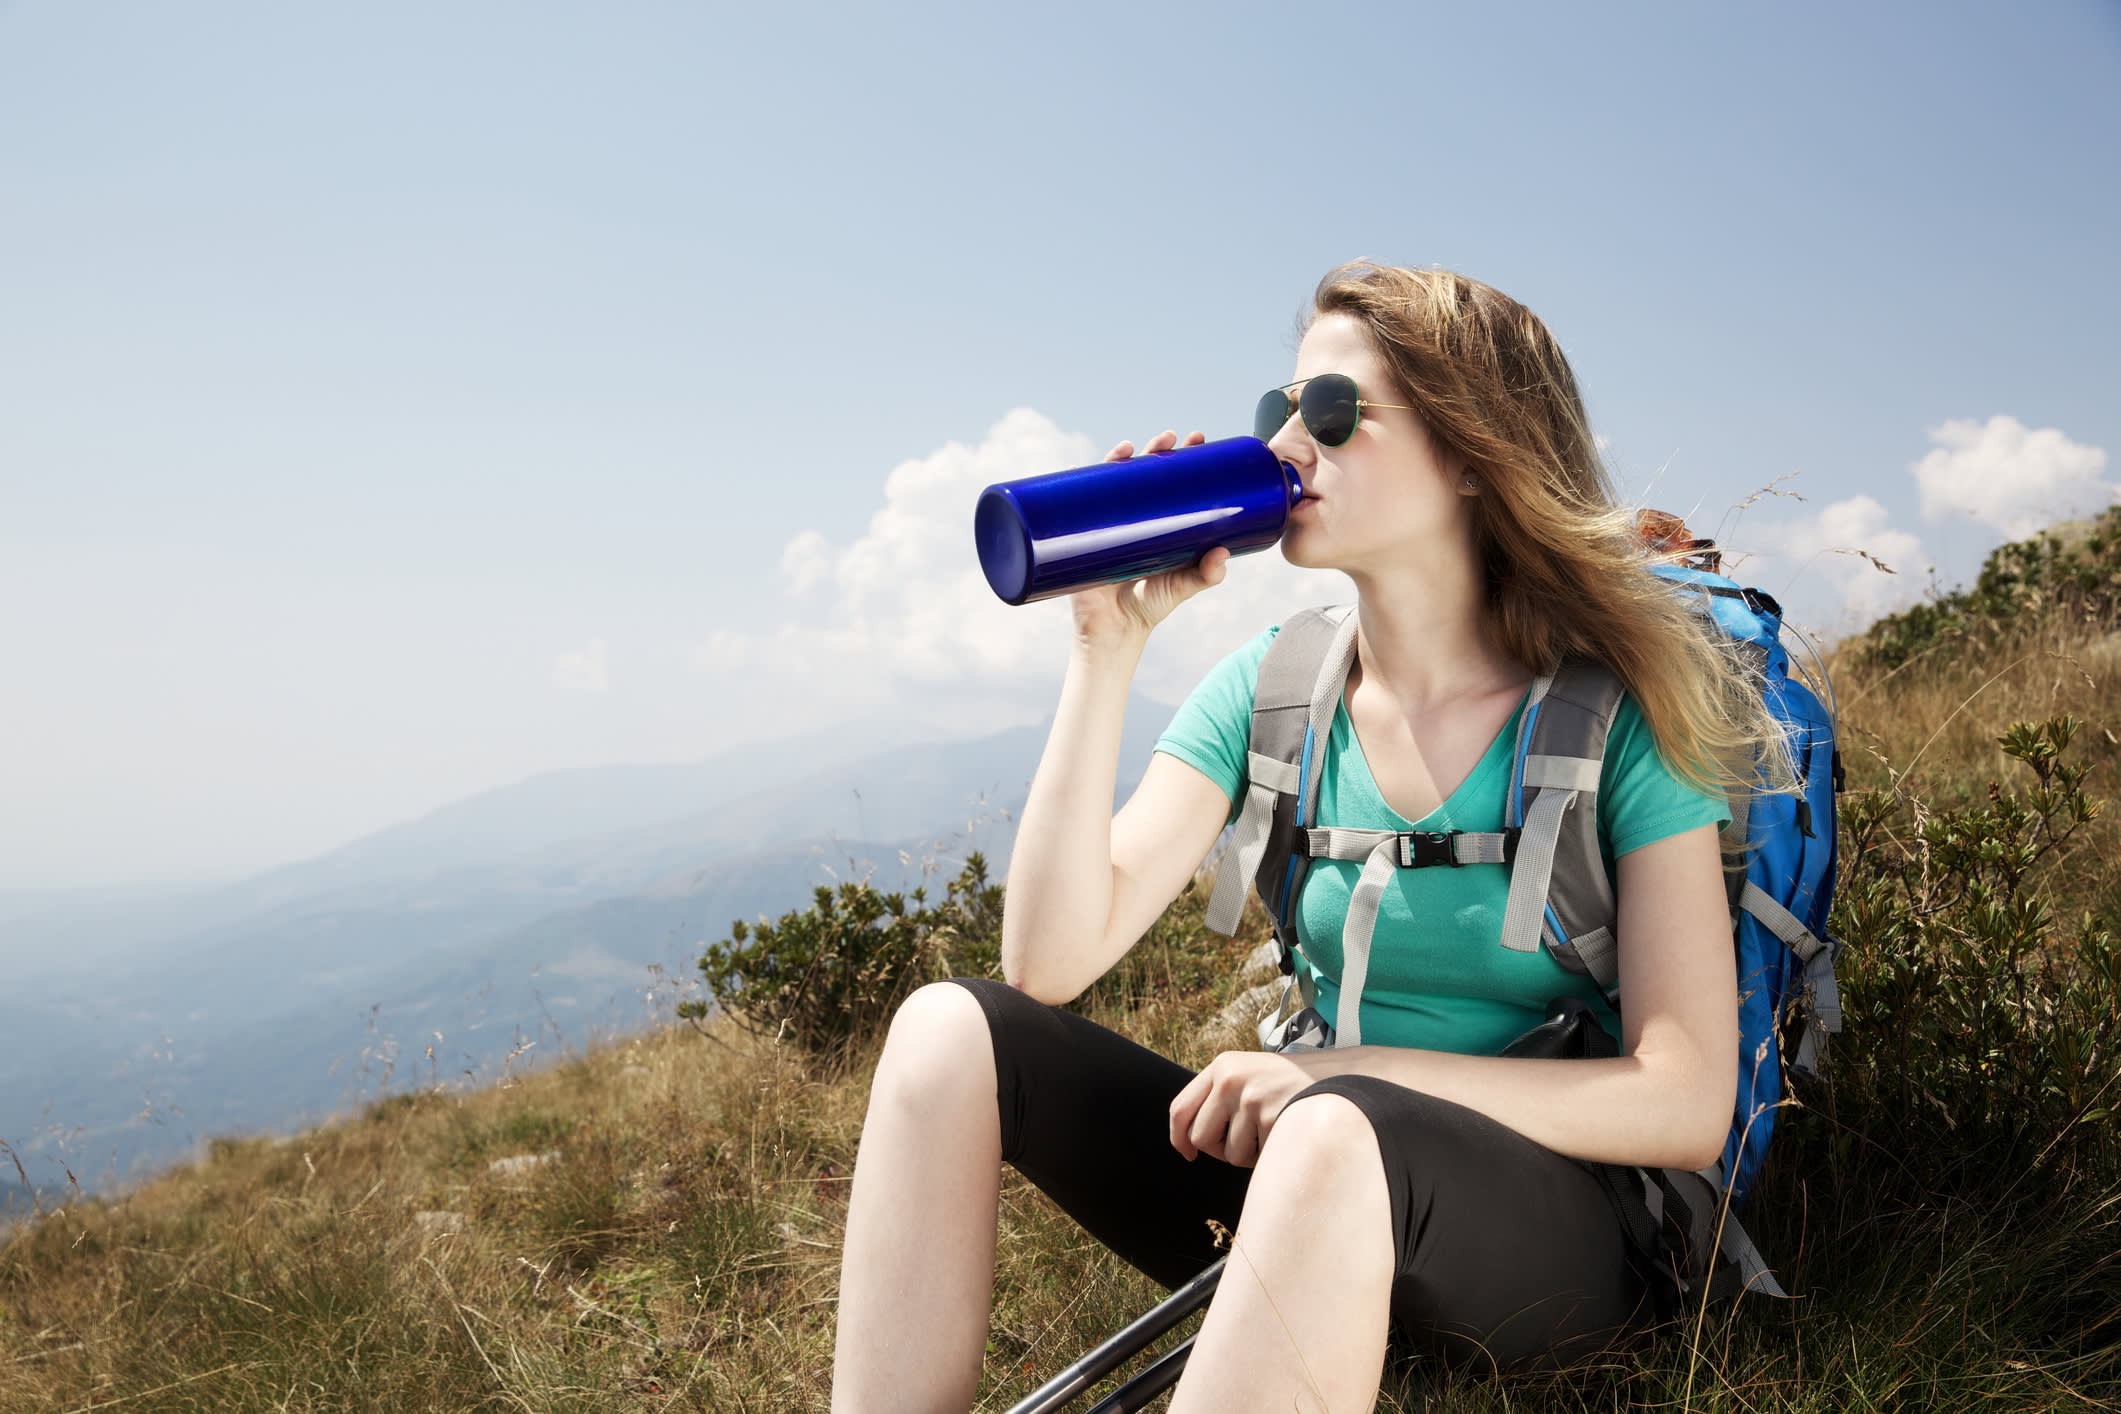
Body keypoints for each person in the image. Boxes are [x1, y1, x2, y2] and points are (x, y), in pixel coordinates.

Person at [830, 261, 1791, 1412]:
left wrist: (1347, 1075)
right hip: (1314, 1180)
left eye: (1332, 413)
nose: (1288, 440)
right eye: (1277, 409)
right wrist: (1104, 647)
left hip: (1556, 1243)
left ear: (1474, 455)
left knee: (1337, 1131)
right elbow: (1049, 959)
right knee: (951, 1032)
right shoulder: (1275, 688)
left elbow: (1684, 1102)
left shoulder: (1619, 714)